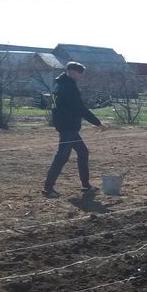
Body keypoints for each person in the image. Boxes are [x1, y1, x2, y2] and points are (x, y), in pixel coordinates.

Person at [42, 61, 106, 198]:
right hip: (68, 128)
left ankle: (86, 186)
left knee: (83, 152)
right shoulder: (68, 87)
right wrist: (98, 123)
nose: (82, 76)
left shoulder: (60, 84)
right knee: (61, 157)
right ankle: (48, 188)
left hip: (68, 127)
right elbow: (80, 108)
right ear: (72, 72)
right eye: (80, 73)